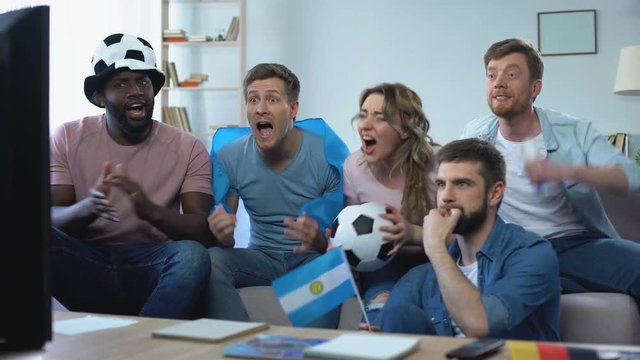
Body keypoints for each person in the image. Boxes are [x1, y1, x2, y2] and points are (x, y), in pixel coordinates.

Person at [50, 33, 215, 319]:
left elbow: (204, 231)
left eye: (142, 81)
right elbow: (51, 218)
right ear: (100, 96)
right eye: (121, 83)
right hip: (87, 261)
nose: (136, 90)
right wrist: (89, 207)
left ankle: (142, 339)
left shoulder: (188, 148)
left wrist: (150, 211)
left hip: (152, 264)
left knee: (192, 255)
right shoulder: (67, 137)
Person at [461, 38, 640, 299]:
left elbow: (632, 176)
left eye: (511, 74)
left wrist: (568, 171)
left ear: (536, 88)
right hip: (512, 248)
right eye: (491, 75)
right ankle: (560, 283)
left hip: (576, 244)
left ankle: (562, 281)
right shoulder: (474, 135)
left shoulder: (574, 130)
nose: (498, 82)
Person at [205, 63, 348, 328]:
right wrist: (223, 234)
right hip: (261, 256)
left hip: (310, 258)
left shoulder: (326, 156)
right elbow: (225, 229)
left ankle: (310, 351)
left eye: (272, 99)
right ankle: (241, 345)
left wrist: (318, 239)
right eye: (253, 100)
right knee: (210, 261)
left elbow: (342, 236)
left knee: (333, 268)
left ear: (293, 109)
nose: (260, 108)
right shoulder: (230, 156)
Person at [379, 138, 560, 341]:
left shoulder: (533, 254)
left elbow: (480, 324)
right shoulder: (422, 277)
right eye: (441, 184)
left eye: (462, 184)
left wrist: (436, 248)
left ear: (494, 193)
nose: (446, 196)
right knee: (398, 315)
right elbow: (390, 325)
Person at [343, 83, 438, 327]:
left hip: (434, 260)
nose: (365, 124)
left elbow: (461, 240)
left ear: (405, 129)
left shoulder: (439, 163)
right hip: (382, 267)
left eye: (380, 117)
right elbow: (351, 236)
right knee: (380, 306)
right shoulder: (354, 166)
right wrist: (332, 242)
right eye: (363, 115)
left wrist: (412, 233)